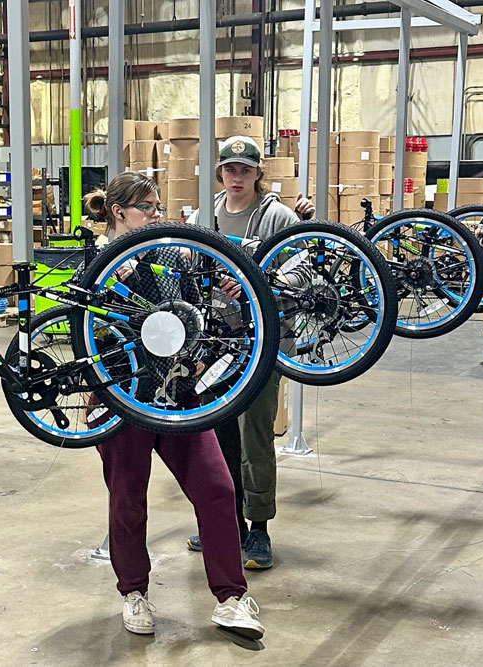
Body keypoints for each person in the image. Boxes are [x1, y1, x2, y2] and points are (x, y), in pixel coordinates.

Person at [82, 171, 265, 640]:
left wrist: (218, 286)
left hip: (180, 394)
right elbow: (81, 332)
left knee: (218, 489)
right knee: (128, 499)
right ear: (120, 212)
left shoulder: (169, 252)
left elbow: (194, 309)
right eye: (148, 208)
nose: (159, 216)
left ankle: (231, 598)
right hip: (124, 397)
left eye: (160, 207)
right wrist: (107, 289)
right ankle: (134, 594)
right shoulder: (96, 261)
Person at [184, 135, 314, 570]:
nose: (236, 177)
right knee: (217, 435)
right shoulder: (208, 215)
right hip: (218, 341)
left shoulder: (276, 216)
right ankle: (227, 524)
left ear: (259, 173)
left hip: (263, 343)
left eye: (245, 169)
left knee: (254, 432)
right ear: (220, 172)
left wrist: (254, 282)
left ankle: (259, 529)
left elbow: (302, 270)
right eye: (229, 169)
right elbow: (191, 264)